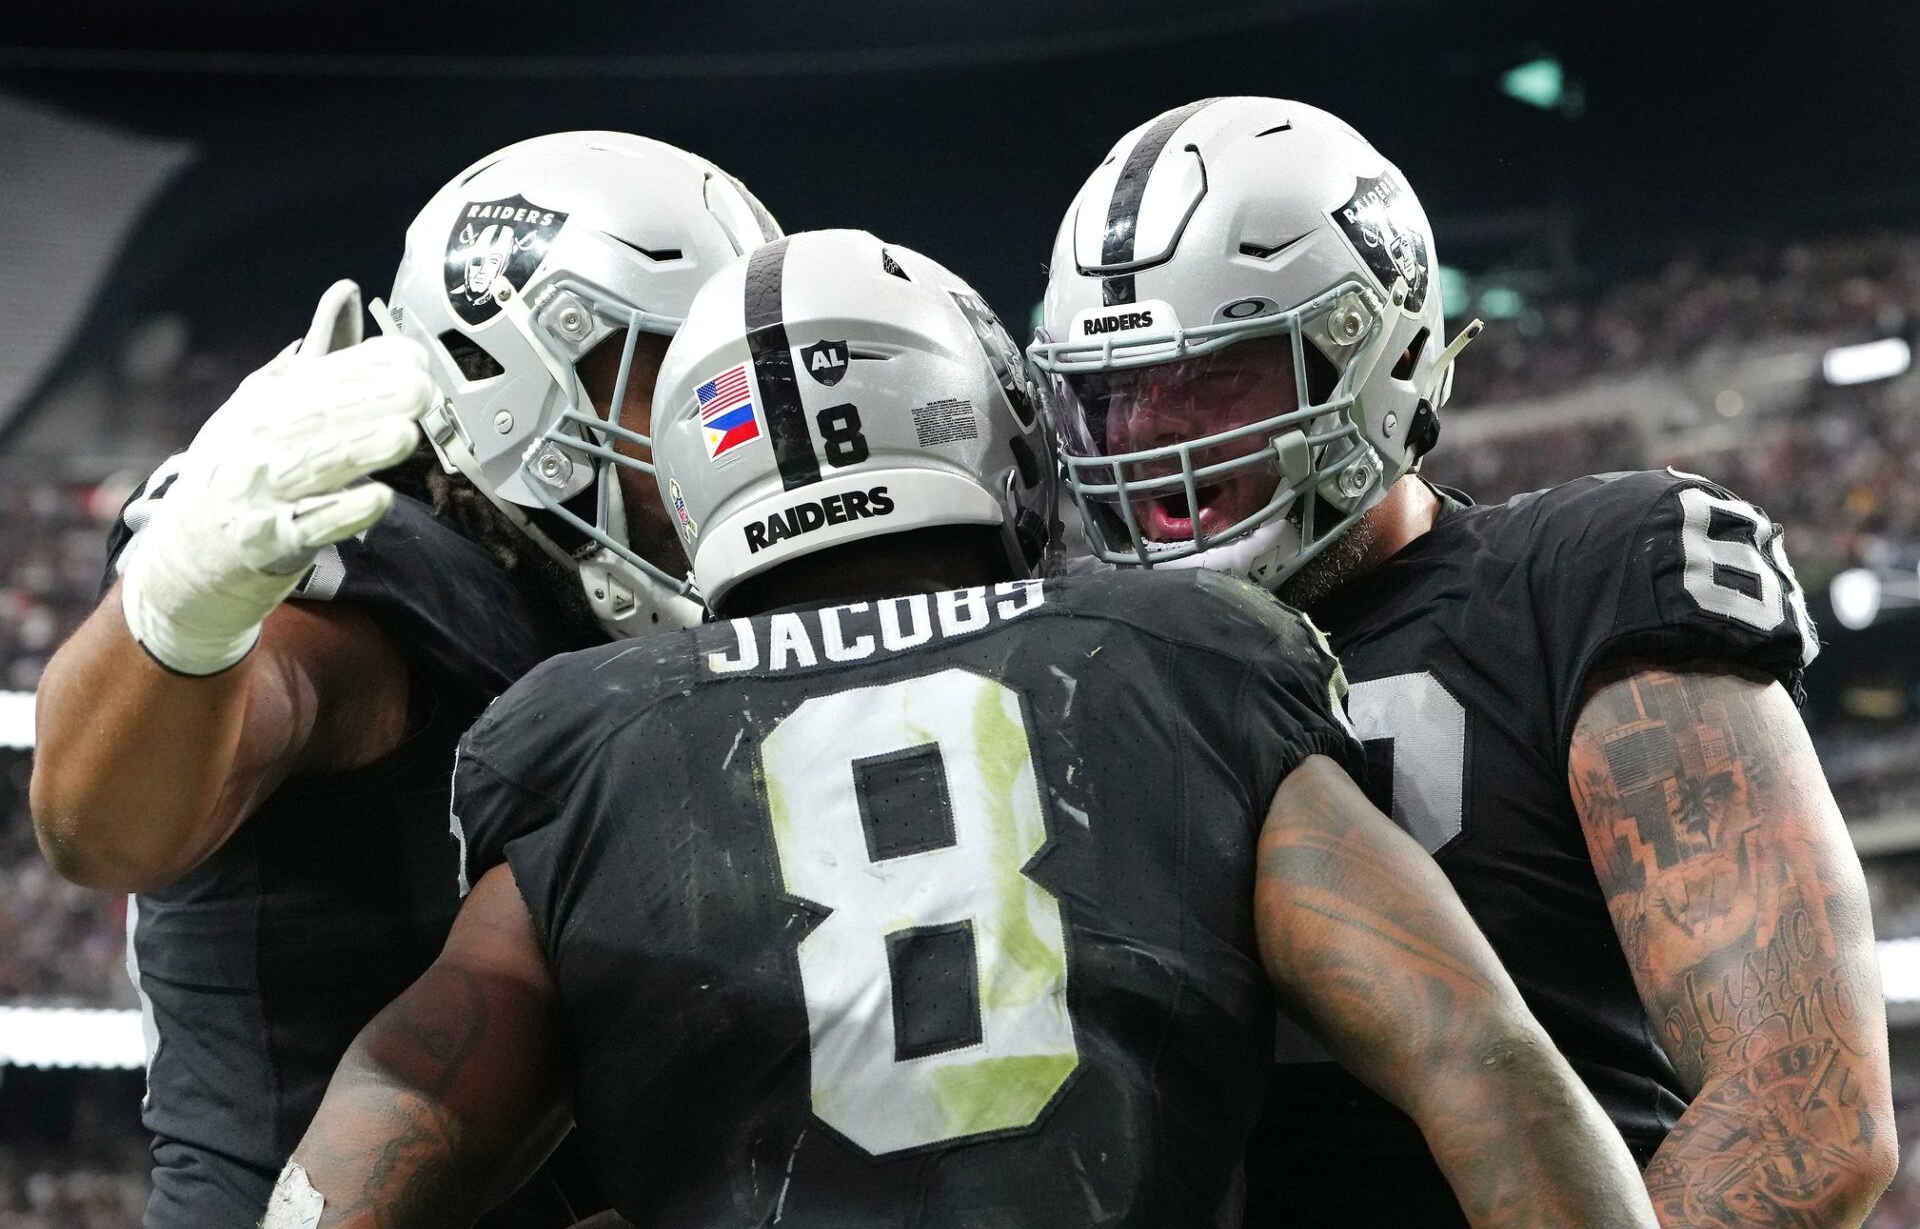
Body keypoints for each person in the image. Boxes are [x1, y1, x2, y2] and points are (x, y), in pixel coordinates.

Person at [269, 229, 1657, 1229]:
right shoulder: (1182, 655)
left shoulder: (587, 730)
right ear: (989, 420)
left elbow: (377, 1147)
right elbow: (1482, 1060)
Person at [1031, 95, 1897, 1227]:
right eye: (1115, 396)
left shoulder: (1577, 578)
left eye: (1214, 378)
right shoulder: (1082, 663)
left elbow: (1808, 1110)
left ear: (1372, 352)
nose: (1154, 439)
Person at [28, 131, 780, 1229]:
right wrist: (181, 625)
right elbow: (103, 827)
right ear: (525, 379)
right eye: (674, 381)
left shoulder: (572, 602)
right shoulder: (389, 574)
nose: (717, 429)